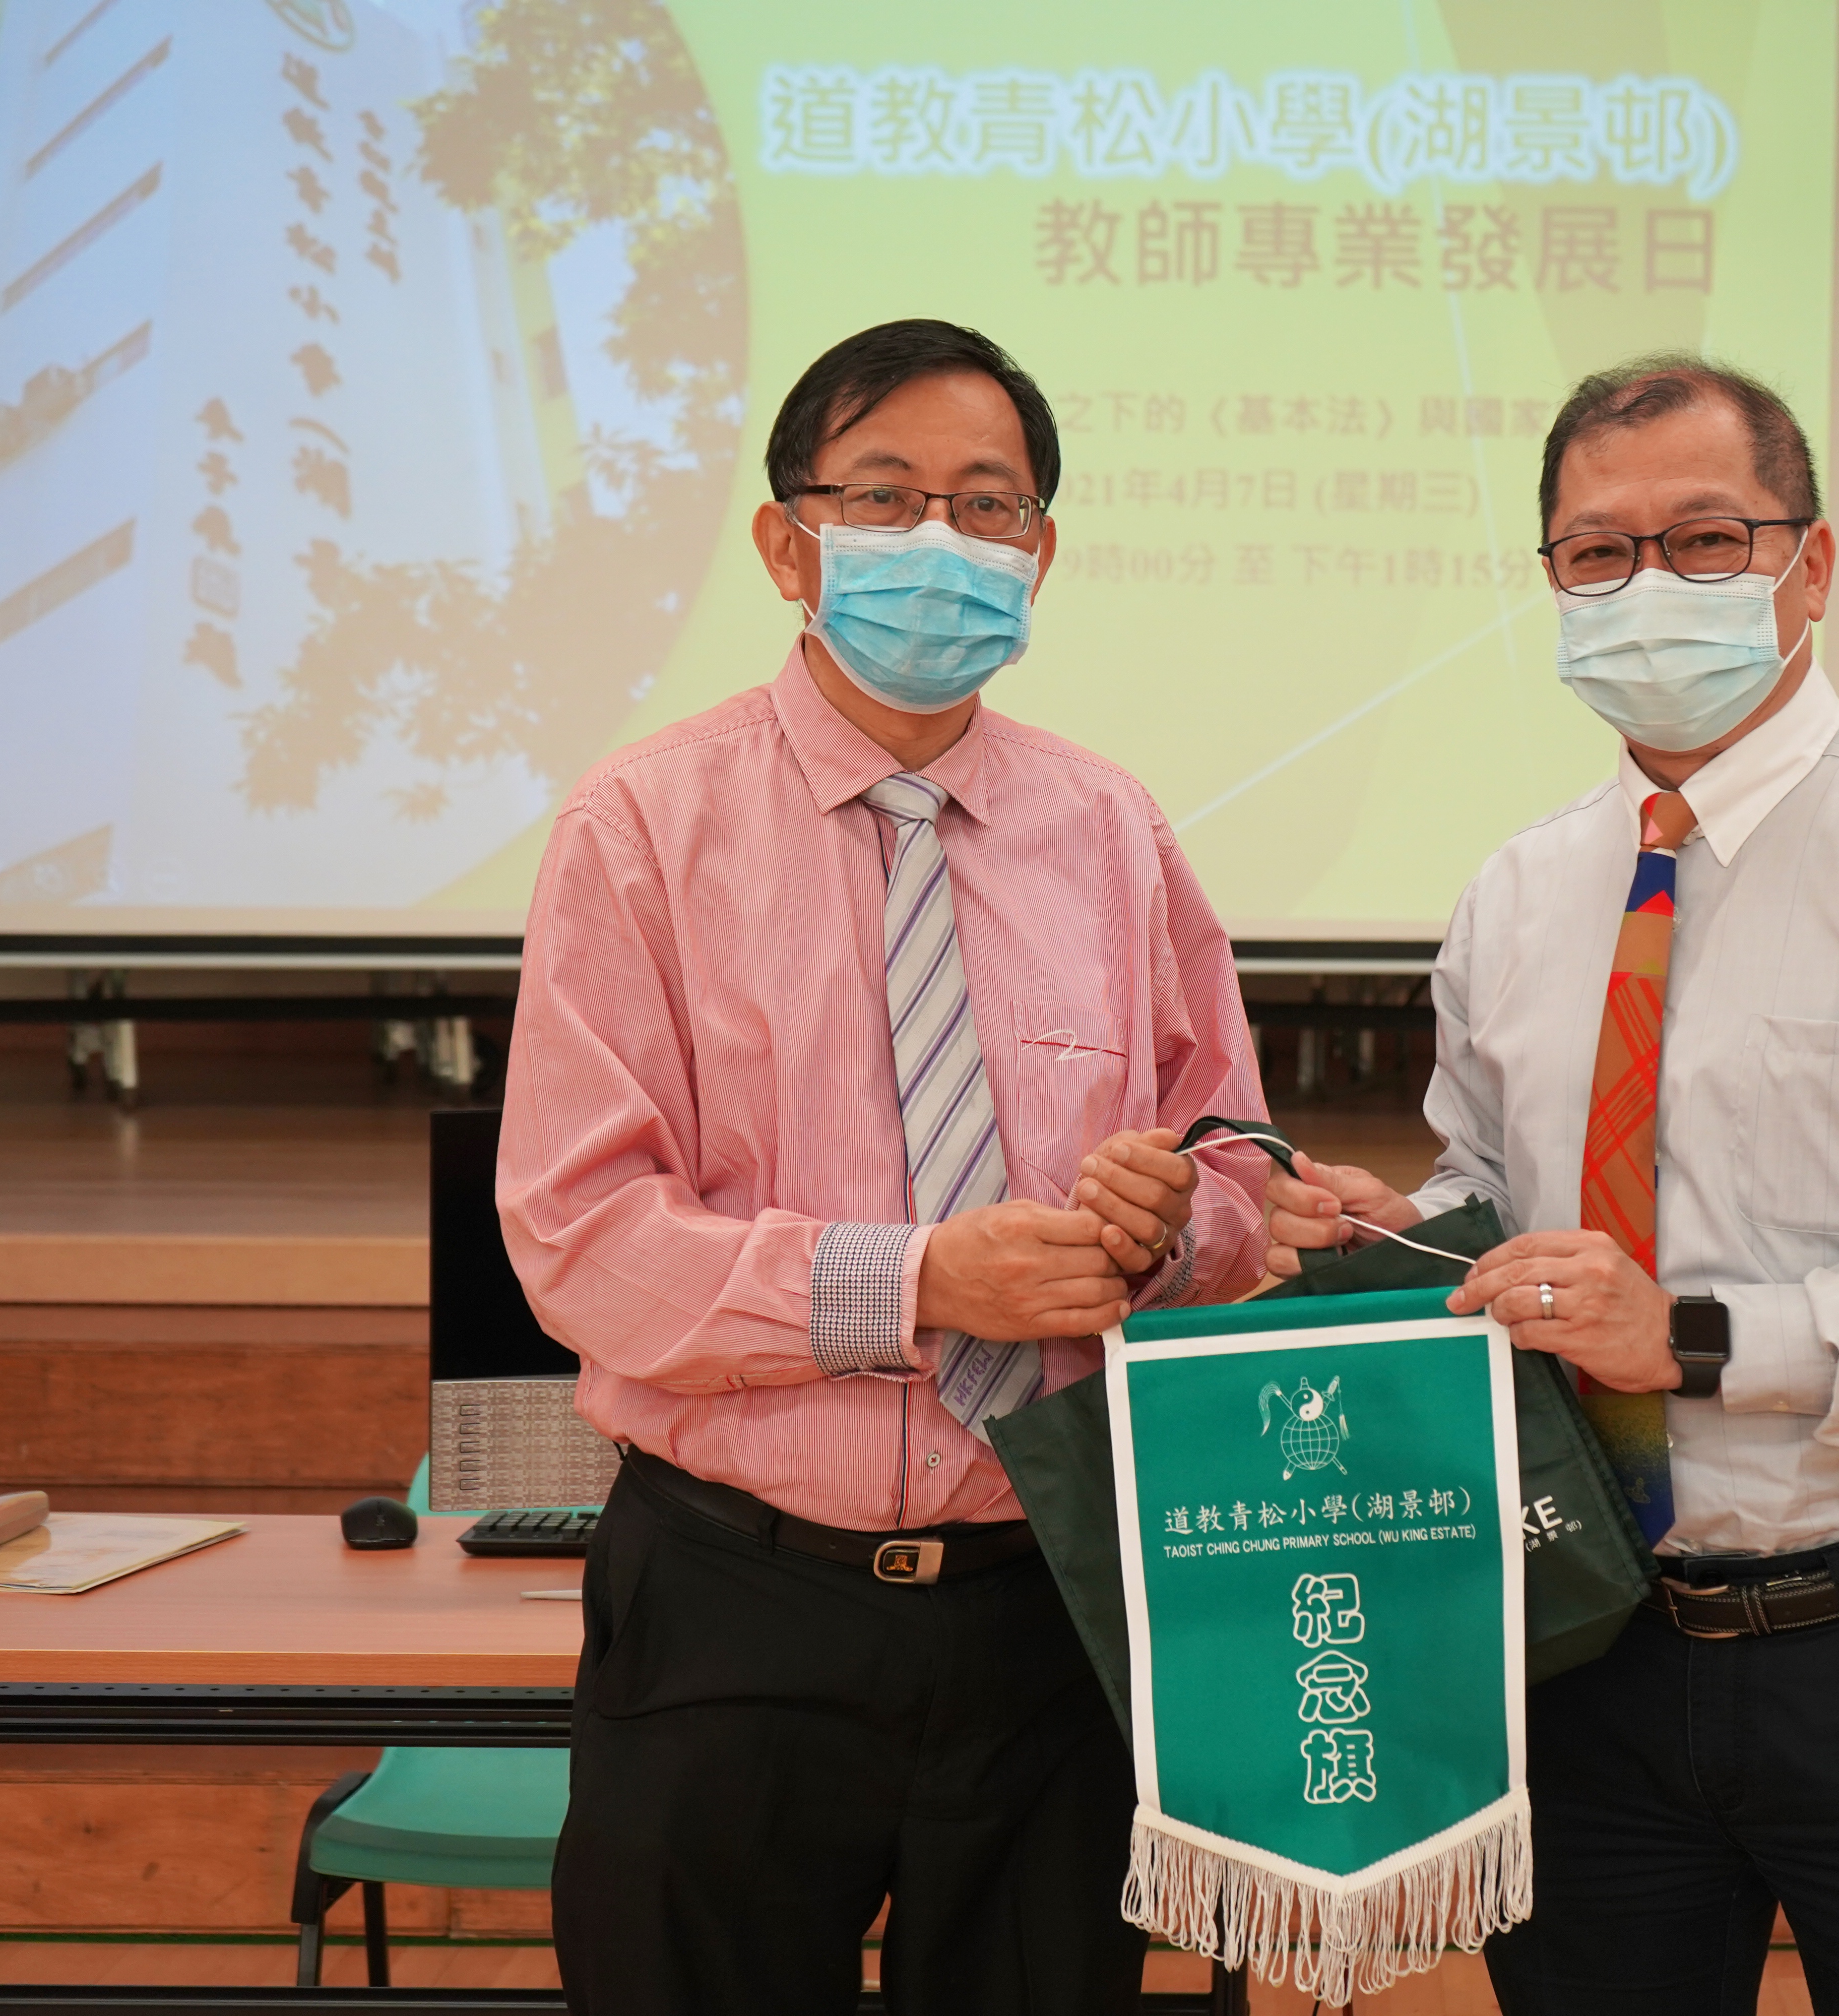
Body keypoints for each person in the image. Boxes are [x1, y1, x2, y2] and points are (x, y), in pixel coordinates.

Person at [1265, 356, 1839, 2015]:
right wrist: (1406, 1234)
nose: (1648, 585)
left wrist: (1693, 1337)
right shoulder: (1518, 891)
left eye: (1705, 539)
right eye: (1598, 553)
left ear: (1811, 567)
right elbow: (1497, 1187)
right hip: (1583, 1637)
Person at [498, 318, 1270, 2015]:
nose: (941, 540)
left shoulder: (1110, 829)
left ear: (1040, 551)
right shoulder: (642, 825)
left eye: (987, 505)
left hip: (1050, 1598)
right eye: (884, 497)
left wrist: (1172, 1230)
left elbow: (1235, 1165)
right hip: (737, 1597)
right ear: (788, 543)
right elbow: (582, 1236)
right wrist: (918, 1283)